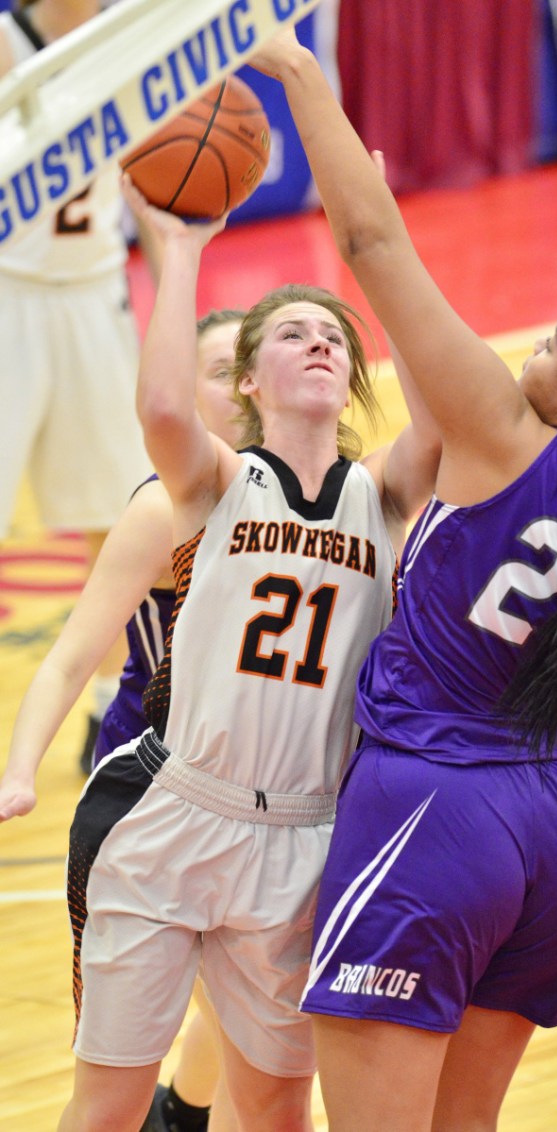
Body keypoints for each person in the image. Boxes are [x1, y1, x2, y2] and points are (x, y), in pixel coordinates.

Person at [246, 30, 557, 1132]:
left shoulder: (508, 435)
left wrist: (302, 83)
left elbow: (370, 240)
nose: (532, 348)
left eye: (553, 347)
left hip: (434, 805)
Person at [7, 165, 440, 1131]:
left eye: (335, 338)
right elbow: (162, 411)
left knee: (277, 1109)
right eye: (293, 333)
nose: (320, 344)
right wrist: (181, 246)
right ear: (249, 381)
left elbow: (448, 412)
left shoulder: (385, 495)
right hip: (173, 811)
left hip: (302, 835)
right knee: (108, 1106)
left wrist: (380, 256)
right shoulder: (211, 484)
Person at [0, 307, 249, 1132]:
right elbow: (72, 657)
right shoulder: (161, 510)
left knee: (250, 1014)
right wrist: (20, 769)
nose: (241, 383)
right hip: (156, 785)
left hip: (266, 783)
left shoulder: (329, 497)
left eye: (248, 362)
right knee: (137, 1047)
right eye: (218, 369)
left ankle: (184, 1113)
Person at [0, 0, 160, 773]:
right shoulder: (5, 43)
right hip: (9, 294)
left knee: (119, 506)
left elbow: (161, 186)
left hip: (96, 291)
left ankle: (111, 696)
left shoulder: (132, 34)